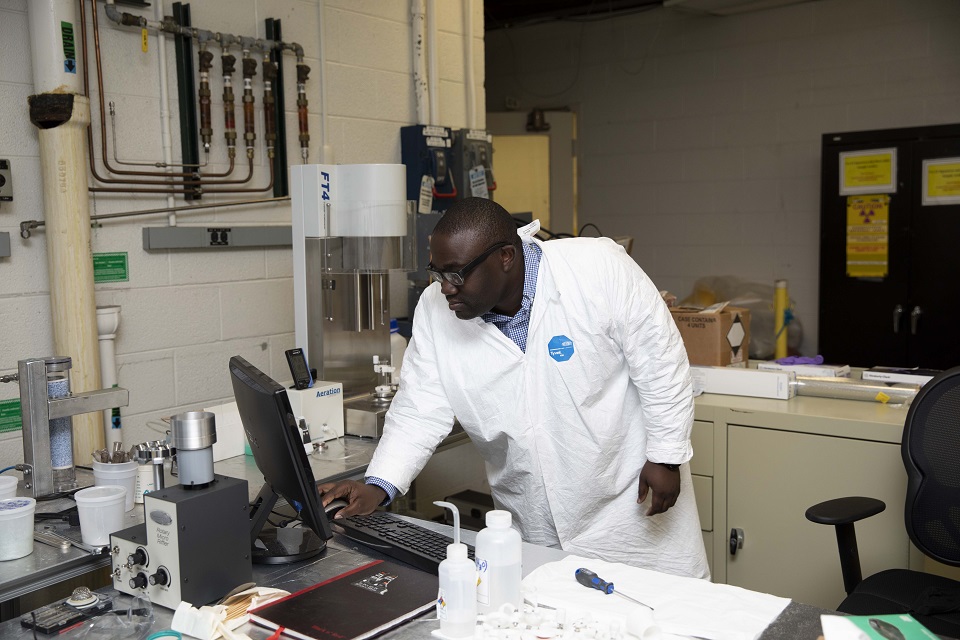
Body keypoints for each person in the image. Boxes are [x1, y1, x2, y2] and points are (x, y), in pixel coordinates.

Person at [319, 197, 709, 579]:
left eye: (455, 274)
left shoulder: (597, 268)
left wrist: (666, 455)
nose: (445, 289)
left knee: (658, 616)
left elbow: (662, 361)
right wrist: (378, 486)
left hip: (627, 500)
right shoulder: (435, 312)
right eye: (436, 274)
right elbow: (419, 409)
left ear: (506, 256)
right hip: (533, 516)